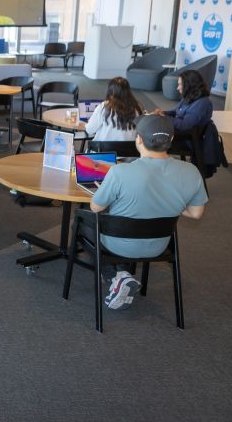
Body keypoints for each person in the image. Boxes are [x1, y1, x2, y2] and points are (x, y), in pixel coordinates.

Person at [88, 114, 207, 310]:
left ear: (139, 139)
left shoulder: (119, 172)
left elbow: (95, 207)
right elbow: (196, 213)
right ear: (171, 139)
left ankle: (117, 275)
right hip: (158, 245)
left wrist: (107, 189)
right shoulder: (191, 171)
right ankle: (121, 275)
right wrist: (169, 198)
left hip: (118, 244)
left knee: (83, 222)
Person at [81, 77, 142, 141]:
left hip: (103, 150)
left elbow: (90, 130)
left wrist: (87, 124)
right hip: (128, 150)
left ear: (110, 91)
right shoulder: (137, 108)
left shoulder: (104, 107)